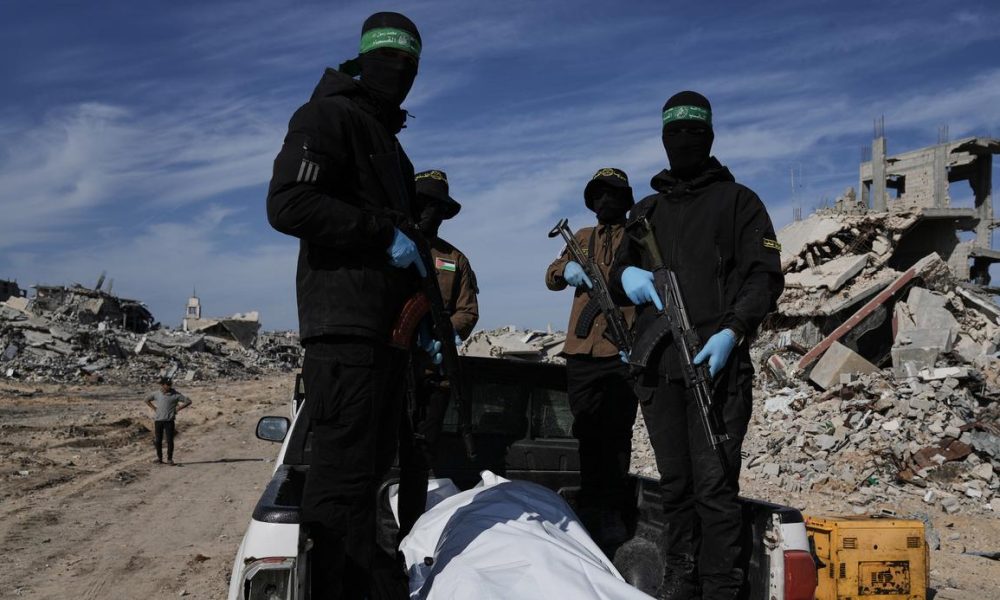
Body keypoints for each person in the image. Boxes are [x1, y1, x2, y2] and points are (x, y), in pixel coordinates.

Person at [265, 11, 427, 599]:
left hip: (384, 336)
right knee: (339, 487)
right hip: (345, 332)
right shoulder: (327, 116)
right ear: (363, 59)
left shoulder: (390, 144)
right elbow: (289, 203)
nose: (399, 72)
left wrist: (420, 317)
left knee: (368, 480)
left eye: (410, 64)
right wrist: (382, 234)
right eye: (389, 58)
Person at [609, 91, 784, 600]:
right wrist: (628, 276)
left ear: (710, 136)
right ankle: (680, 577)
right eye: (674, 133)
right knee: (676, 484)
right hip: (659, 369)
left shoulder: (740, 202)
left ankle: (720, 586)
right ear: (663, 138)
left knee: (714, 487)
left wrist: (733, 331)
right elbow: (618, 273)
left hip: (715, 369)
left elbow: (764, 276)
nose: (684, 141)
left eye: (694, 132)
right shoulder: (646, 210)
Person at [544, 167, 637, 555]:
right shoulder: (581, 238)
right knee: (586, 431)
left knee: (617, 434)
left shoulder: (637, 236)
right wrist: (566, 270)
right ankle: (590, 503)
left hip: (622, 351)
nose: (605, 201)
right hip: (582, 352)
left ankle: (612, 509)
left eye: (613, 194)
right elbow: (551, 275)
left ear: (625, 200)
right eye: (599, 195)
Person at [396, 169, 479, 539]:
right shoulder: (392, 246)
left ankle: (409, 535)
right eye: (424, 203)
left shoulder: (454, 259)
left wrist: (447, 336)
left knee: (418, 458)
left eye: (438, 207)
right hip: (393, 369)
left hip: (433, 374)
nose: (431, 212)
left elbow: (468, 310)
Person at [144, 377, 191, 465]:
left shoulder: (176, 395)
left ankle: (169, 459)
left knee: (169, 440)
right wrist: (154, 408)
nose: (169, 386)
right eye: (167, 384)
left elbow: (188, 401)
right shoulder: (157, 394)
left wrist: (178, 409)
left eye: (170, 384)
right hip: (158, 420)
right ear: (162, 385)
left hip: (169, 421)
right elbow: (146, 400)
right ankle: (159, 458)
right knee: (158, 440)